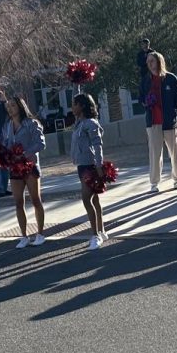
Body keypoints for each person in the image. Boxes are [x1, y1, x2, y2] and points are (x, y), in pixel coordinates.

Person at [3, 96, 47, 247]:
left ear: (20, 107)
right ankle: (24, 236)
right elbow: (6, 144)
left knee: (35, 199)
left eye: (13, 105)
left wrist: (25, 153)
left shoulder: (31, 123)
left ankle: (40, 234)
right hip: (14, 167)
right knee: (18, 202)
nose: (10, 108)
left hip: (30, 166)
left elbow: (41, 143)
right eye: (8, 106)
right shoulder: (8, 126)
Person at [140, 51, 177, 192]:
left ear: (159, 61)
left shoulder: (170, 79)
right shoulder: (146, 80)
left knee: (175, 153)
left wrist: (175, 111)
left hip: (170, 123)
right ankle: (154, 183)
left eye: (152, 61)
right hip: (153, 123)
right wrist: (145, 103)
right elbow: (141, 97)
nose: (149, 64)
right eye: (148, 62)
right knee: (154, 154)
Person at [70, 93, 107, 249]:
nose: (72, 107)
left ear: (82, 106)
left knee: (87, 199)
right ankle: (102, 230)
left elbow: (98, 145)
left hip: (90, 166)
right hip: (82, 166)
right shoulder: (79, 123)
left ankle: (95, 235)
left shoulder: (91, 123)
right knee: (95, 200)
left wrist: (99, 165)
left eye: (75, 104)